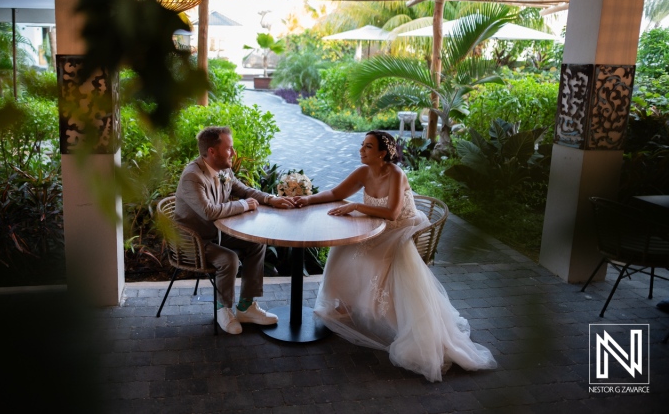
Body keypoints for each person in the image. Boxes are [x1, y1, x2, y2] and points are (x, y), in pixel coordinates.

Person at [291, 130, 497, 382]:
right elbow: (335, 193)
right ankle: (346, 305)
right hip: (374, 223)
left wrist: (356, 206)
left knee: (374, 260)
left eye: (368, 147)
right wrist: (307, 199)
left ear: (382, 153)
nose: (361, 150)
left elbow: (391, 212)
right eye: (362, 145)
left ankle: (389, 318)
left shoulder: (396, 174)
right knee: (342, 248)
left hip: (402, 227)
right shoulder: (363, 171)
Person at [174, 126, 296, 334]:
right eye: (229, 148)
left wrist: (270, 199)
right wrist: (244, 205)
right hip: (194, 241)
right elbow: (209, 212)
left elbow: (243, 190)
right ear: (212, 151)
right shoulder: (193, 176)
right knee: (229, 259)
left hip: (216, 233)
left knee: (256, 243)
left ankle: (246, 306)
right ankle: (223, 309)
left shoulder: (223, 169)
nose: (233, 153)